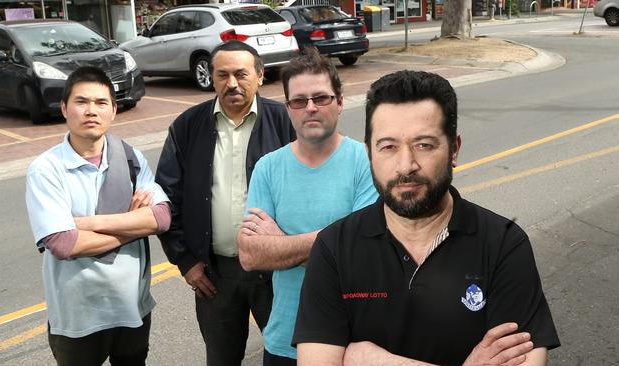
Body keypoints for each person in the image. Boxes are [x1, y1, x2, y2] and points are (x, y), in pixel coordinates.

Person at [292, 70, 561, 366]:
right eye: (389, 146)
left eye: (424, 145)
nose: (406, 165)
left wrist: (372, 360)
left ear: (454, 149)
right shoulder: (334, 248)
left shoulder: (503, 244)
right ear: (369, 153)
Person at [155, 40, 295, 366]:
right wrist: (185, 259)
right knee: (221, 359)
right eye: (223, 75)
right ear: (212, 78)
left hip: (277, 274)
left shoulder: (285, 122)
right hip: (214, 275)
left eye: (241, 74)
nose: (231, 83)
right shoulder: (188, 126)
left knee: (289, 357)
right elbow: (167, 197)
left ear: (260, 76)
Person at [237, 47, 378, 365]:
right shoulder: (268, 167)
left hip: (352, 342)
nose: (310, 108)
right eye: (299, 101)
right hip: (284, 340)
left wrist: (280, 241)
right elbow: (249, 255)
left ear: (340, 102)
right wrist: (333, 243)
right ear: (288, 108)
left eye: (321, 98)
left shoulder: (367, 163)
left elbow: (360, 259)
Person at [25, 66, 170, 366]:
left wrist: (88, 224)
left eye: (101, 103)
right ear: (64, 108)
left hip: (133, 307)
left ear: (114, 110)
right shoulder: (47, 169)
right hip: (77, 316)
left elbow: (162, 218)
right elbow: (64, 244)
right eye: (81, 102)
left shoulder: (129, 156)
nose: (92, 110)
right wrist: (134, 223)